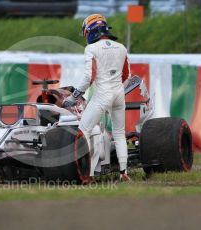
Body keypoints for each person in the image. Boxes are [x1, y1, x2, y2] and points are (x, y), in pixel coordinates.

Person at [62, 14, 131, 182]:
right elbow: (127, 74)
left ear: (89, 31)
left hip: (102, 94)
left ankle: (89, 174)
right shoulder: (121, 47)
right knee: (120, 134)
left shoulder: (91, 49)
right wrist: (115, 86)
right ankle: (124, 173)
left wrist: (74, 96)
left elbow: (88, 77)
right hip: (118, 93)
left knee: (84, 132)